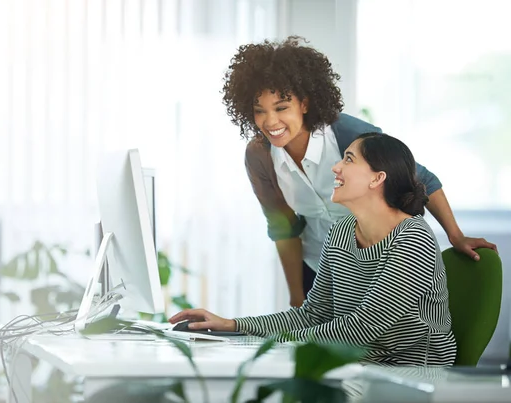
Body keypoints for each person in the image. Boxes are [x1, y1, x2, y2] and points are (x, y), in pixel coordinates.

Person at [221, 36, 497, 307]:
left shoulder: (349, 136)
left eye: (282, 107)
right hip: (319, 269)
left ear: (304, 103)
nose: (270, 121)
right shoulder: (259, 156)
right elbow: (283, 228)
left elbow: (424, 180)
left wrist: (455, 236)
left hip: (382, 263)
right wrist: (297, 297)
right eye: (260, 111)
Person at [170, 133, 457, 366]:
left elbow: (365, 327)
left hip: (411, 372)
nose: (336, 167)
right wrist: (232, 325)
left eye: (348, 159)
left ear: (376, 178)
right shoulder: (341, 231)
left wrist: (276, 343)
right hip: (354, 364)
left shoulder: (413, 237)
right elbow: (312, 315)